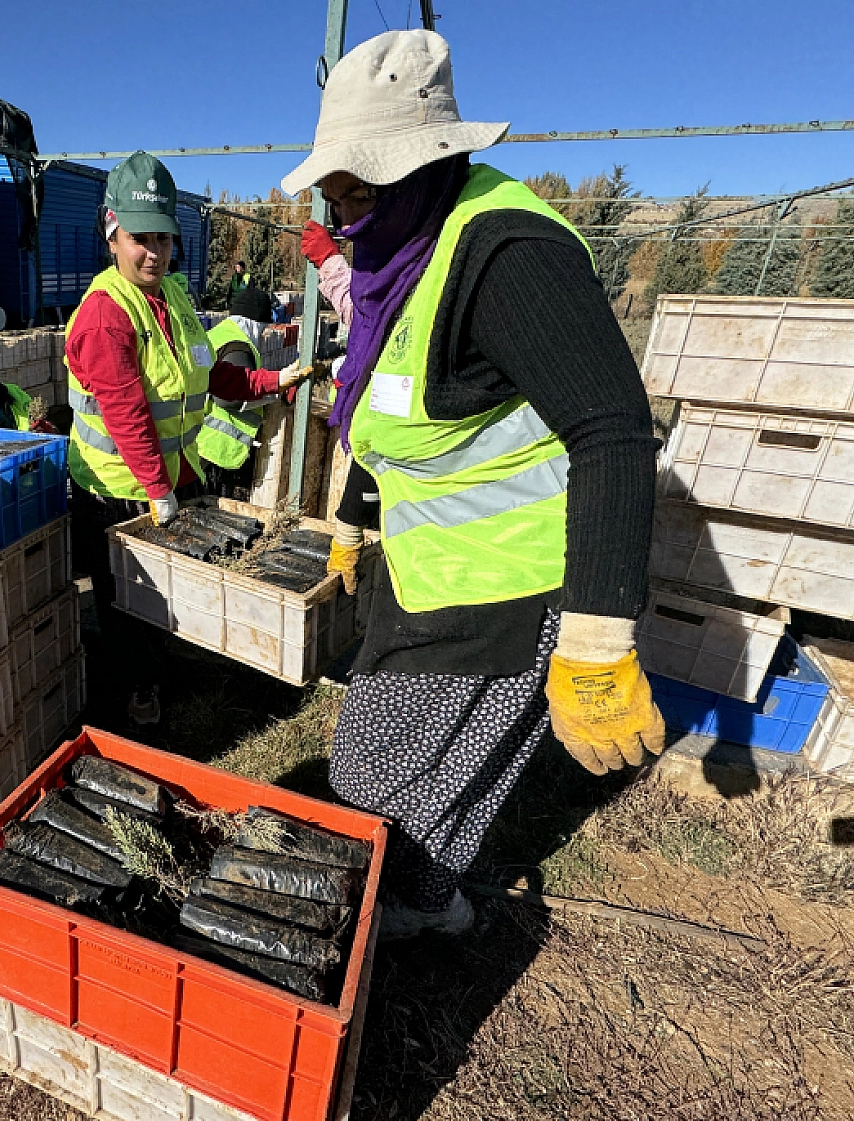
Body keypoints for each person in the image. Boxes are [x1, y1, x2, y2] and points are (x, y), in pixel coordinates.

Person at [280, 30, 666, 939]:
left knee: (394, 773)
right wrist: (352, 523)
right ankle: (421, 898)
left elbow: (615, 430)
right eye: (333, 194)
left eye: (356, 188)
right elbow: (394, 408)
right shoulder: (395, 256)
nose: (342, 212)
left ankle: (418, 906)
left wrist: (599, 637)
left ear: (425, 161)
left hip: (513, 587)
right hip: (433, 574)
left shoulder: (506, 254)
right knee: (408, 760)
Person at [64, 151, 309, 725]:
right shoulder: (106, 315)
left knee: (163, 594)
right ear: (112, 232)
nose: (154, 252)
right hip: (118, 489)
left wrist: (272, 379)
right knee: (126, 599)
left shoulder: (173, 296)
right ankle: (135, 693)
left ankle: (157, 667)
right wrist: (158, 491)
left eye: (165, 239)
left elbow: (208, 373)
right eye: (140, 238)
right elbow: (126, 413)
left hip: (170, 477)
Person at [198, 285, 279, 499]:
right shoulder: (238, 346)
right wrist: (273, 394)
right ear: (254, 323)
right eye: (262, 328)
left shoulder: (216, 334)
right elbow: (228, 398)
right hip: (219, 449)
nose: (262, 334)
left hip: (200, 440)